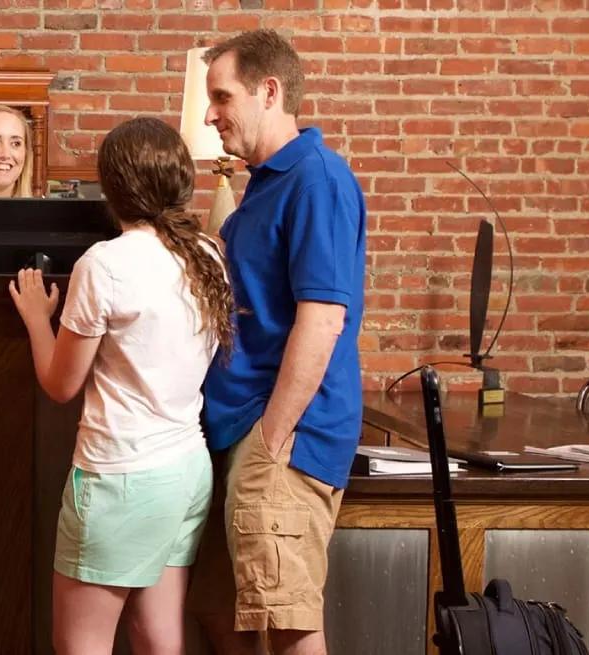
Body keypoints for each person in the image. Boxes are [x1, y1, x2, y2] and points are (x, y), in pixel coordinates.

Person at [7, 117, 236, 655]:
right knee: (158, 637)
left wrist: (38, 319)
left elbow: (60, 385)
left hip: (121, 477)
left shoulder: (105, 265)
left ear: (111, 188)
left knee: (81, 645)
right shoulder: (207, 254)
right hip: (186, 469)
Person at [185, 29, 369, 655]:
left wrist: (272, 438)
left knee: (286, 621)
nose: (210, 114)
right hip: (236, 433)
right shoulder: (262, 185)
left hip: (280, 439)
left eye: (221, 96)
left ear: (269, 91)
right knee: (217, 609)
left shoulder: (317, 178)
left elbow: (322, 320)